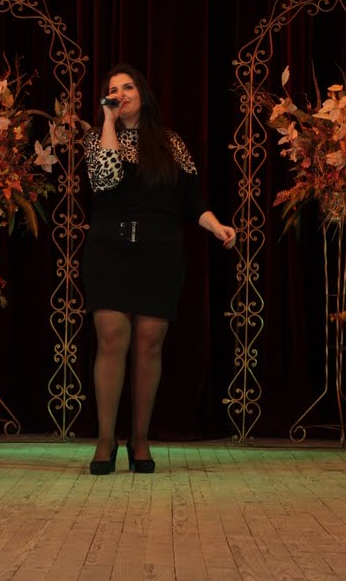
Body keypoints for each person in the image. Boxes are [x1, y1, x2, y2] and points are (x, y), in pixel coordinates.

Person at [82, 63, 236, 475]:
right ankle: (105, 440)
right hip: (110, 250)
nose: (120, 93)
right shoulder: (98, 138)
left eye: (128, 87)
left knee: (149, 342)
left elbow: (191, 199)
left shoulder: (170, 142)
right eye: (113, 89)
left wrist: (215, 225)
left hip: (160, 252)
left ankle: (140, 439)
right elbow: (104, 180)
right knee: (111, 338)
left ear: (143, 94)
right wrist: (108, 122)